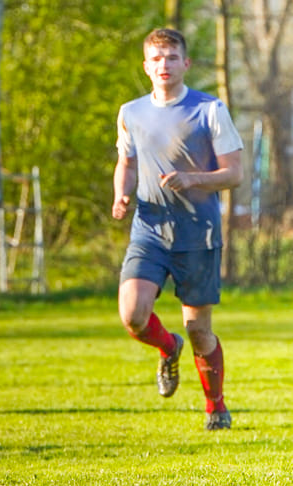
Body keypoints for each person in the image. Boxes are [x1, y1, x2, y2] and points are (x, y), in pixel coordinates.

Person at [112, 28, 243, 431]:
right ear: (146, 66)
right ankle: (169, 348)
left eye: (171, 57)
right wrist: (121, 194)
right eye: (156, 58)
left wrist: (193, 179)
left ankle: (216, 407)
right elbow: (128, 163)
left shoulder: (210, 109)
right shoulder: (130, 112)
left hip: (197, 233)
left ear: (185, 63)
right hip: (149, 228)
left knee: (199, 329)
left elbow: (234, 174)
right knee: (133, 314)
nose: (164, 65)